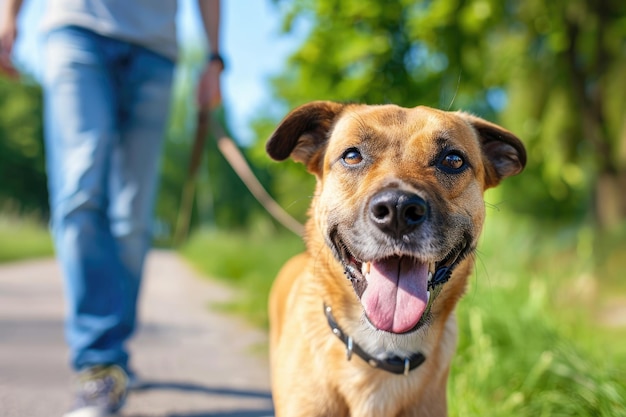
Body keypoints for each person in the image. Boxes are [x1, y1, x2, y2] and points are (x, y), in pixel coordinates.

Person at [0, 1, 223, 416]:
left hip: (155, 48)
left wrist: (213, 57)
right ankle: (99, 362)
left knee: (132, 217)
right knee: (80, 191)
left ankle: (113, 348)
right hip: (76, 28)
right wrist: (8, 16)